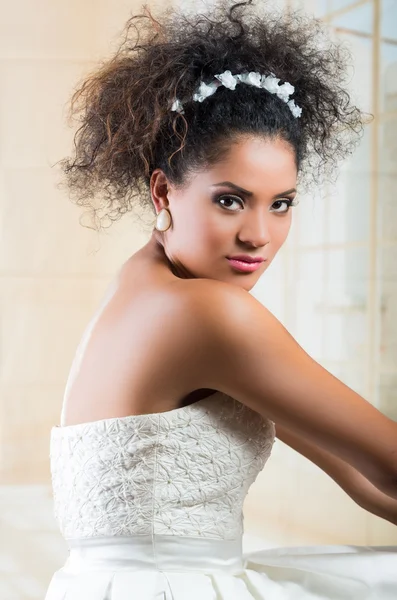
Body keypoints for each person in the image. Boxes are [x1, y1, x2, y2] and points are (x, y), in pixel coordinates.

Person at [45, 1, 397, 598]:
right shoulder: (208, 314)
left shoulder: (144, 283)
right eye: (231, 200)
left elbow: (370, 483)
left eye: (280, 203)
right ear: (164, 189)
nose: (258, 234)